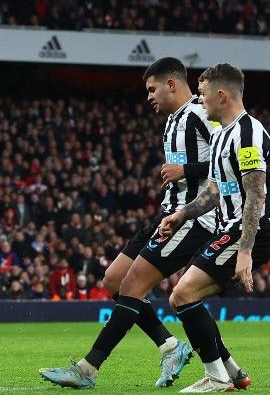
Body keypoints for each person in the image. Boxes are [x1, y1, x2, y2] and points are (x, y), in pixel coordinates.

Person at [40, 58, 250, 390]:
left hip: (196, 218)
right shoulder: (172, 121)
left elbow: (226, 158)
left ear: (171, 84)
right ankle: (178, 349)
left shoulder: (200, 112)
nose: (149, 96)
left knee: (135, 284)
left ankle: (87, 369)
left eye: (152, 89)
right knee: (114, 280)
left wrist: (187, 171)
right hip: (168, 213)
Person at [159, 63, 266, 392]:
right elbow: (216, 191)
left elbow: (256, 194)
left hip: (254, 229)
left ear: (221, 95)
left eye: (203, 95)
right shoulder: (220, 135)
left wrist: (245, 251)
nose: (200, 101)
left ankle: (217, 377)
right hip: (230, 229)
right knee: (183, 299)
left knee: (183, 294)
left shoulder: (248, 133)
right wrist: (181, 215)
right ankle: (231, 373)